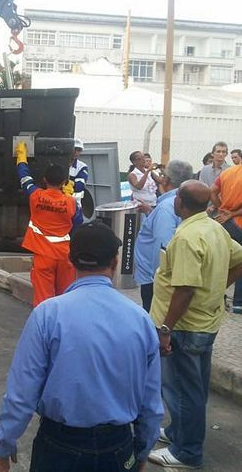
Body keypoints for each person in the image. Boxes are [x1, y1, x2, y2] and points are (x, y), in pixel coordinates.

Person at [0, 222, 163, 472]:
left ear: (70, 261)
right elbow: (151, 401)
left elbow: (22, 391)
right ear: (115, 262)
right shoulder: (140, 319)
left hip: (59, 447)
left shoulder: (48, 314)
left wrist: (5, 442)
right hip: (117, 447)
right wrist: (142, 451)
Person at [148, 181, 242, 469]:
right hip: (206, 322)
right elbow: (239, 257)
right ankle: (179, 432)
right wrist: (217, 286)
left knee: (181, 389)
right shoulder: (215, 227)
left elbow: (185, 288)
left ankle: (186, 452)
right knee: (194, 387)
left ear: (180, 202)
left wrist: (166, 329)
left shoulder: (188, 237)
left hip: (185, 327)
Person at [16, 142, 81, 306]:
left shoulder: (35, 196)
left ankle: (45, 329)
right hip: (65, 256)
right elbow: (78, 225)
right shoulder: (71, 203)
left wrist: (21, 156)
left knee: (43, 300)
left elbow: (24, 178)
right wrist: (69, 197)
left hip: (43, 256)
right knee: (65, 299)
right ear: (65, 181)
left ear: (44, 180)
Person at [133, 160, 194, 312]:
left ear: (166, 180)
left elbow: (162, 248)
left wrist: (159, 283)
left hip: (155, 280)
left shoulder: (166, 208)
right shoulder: (178, 202)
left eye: (161, 175)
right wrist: (150, 212)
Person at [210, 160, 242, 313]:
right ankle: (239, 302)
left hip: (224, 223)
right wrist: (233, 213)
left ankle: (216, 297)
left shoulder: (227, 172)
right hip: (239, 222)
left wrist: (221, 207)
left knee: (222, 261)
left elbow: (212, 191)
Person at [68, 138, 89, 209]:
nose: (76, 152)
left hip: (75, 204)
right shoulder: (60, 163)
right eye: (74, 149)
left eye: (79, 150)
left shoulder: (82, 167)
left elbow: (79, 186)